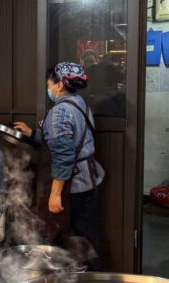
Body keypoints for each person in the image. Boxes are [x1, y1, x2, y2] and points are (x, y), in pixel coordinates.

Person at [14, 62, 105, 265]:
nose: (48, 88)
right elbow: (69, 140)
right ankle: (93, 279)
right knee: (88, 234)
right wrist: (33, 134)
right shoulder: (79, 103)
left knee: (63, 235)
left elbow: (63, 156)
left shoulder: (60, 112)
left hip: (71, 185)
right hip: (87, 180)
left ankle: (77, 280)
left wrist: (55, 194)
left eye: (49, 83)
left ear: (59, 85)